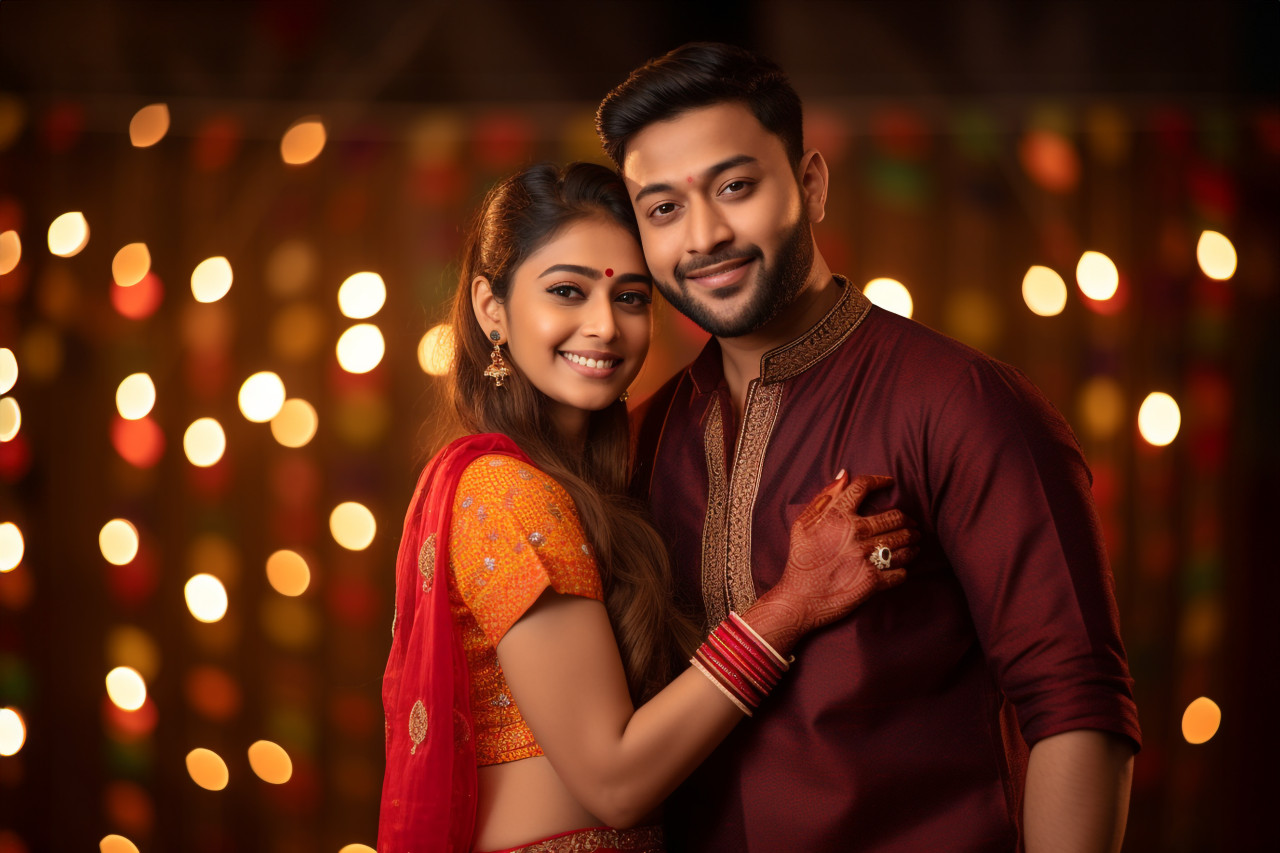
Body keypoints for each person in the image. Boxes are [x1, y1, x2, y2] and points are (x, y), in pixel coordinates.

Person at [597, 43, 1141, 853]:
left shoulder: (960, 403)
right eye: (664, 208)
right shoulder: (641, 440)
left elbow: (1076, 705)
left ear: (811, 183)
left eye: (736, 187)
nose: (704, 234)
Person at [377, 162, 920, 853]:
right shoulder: (508, 491)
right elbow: (617, 783)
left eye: (631, 297)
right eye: (567, 291)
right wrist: (792, 604)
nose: (604, 326)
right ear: (491, 309)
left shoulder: (603, 487)